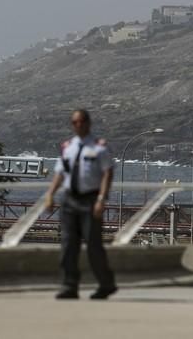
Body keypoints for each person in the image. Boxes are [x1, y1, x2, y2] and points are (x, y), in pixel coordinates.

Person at [44, 109, 117, 300]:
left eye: (82, 121)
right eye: (74, 122)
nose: (78, 125)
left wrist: (102, 198)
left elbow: (107, 172)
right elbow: (60, 173)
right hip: (69, 200)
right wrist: (50, 194)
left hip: (90, 200)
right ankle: (69, 285)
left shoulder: (99, 147)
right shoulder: (67, 147)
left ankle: (106, 284)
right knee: (68, 245)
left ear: (88, 123)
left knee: (93, 246)